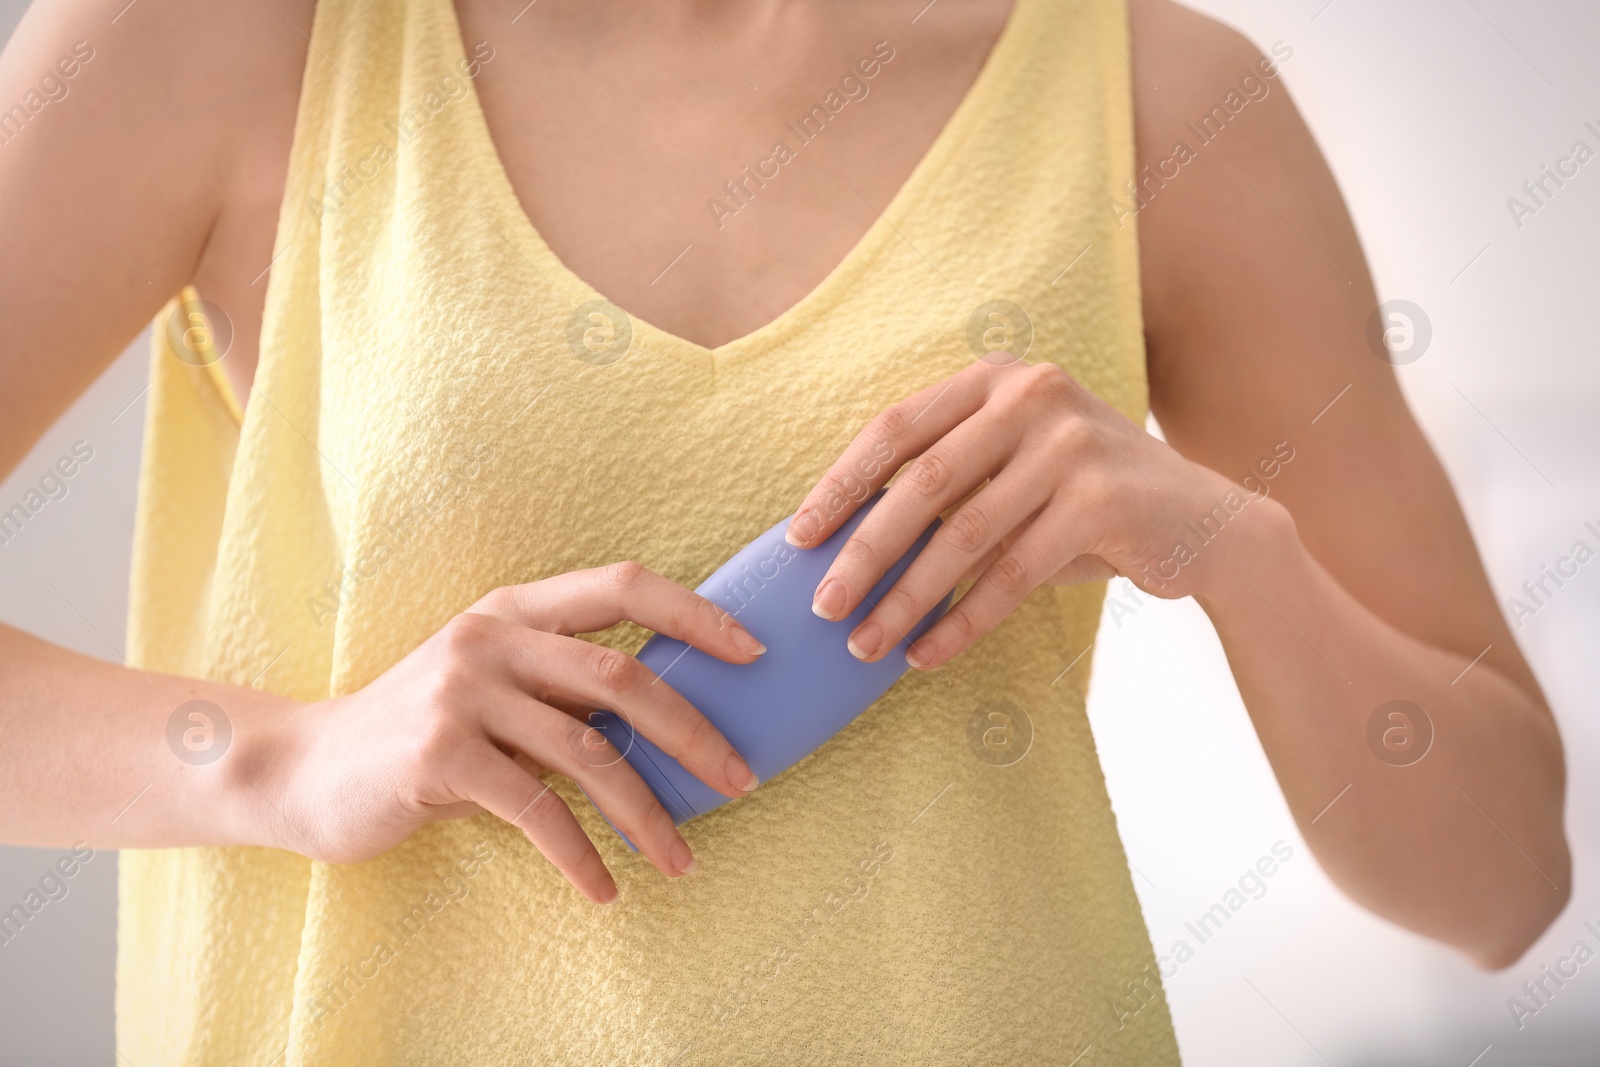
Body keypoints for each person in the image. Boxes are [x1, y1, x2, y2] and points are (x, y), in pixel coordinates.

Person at [0, 0, 1569, 1062]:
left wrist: (1230, 549)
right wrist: (285, 759)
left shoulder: (1162, 93)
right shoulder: (227, 41)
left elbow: (1503, 887)